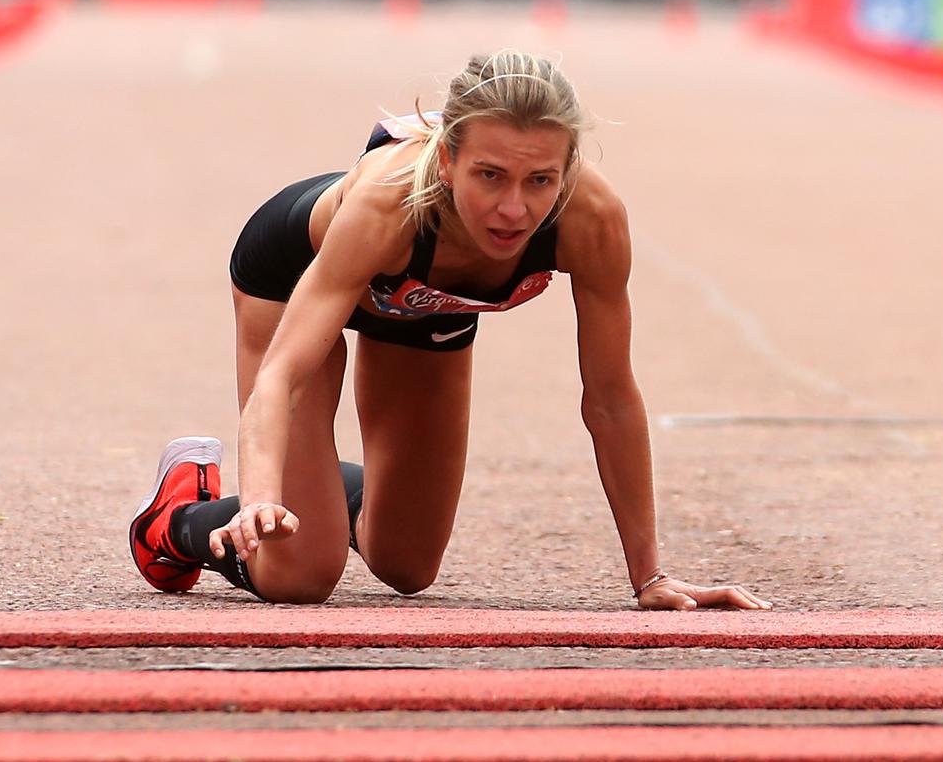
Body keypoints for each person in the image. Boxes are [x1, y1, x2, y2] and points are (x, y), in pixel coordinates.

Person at [129, 50, 766, 611]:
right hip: (295, 276)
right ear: (446, 161)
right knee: (301, 574)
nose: (514, 209)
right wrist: (263, 495)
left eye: (540, 180)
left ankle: (320, 487)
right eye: (490, 176)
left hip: (421, 305)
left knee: (406, 564)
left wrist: (648, 575)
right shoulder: (386, 203)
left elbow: (610, 398)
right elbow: (282, 375)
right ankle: (177, 516)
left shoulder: (592, 218)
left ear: (568, 169)